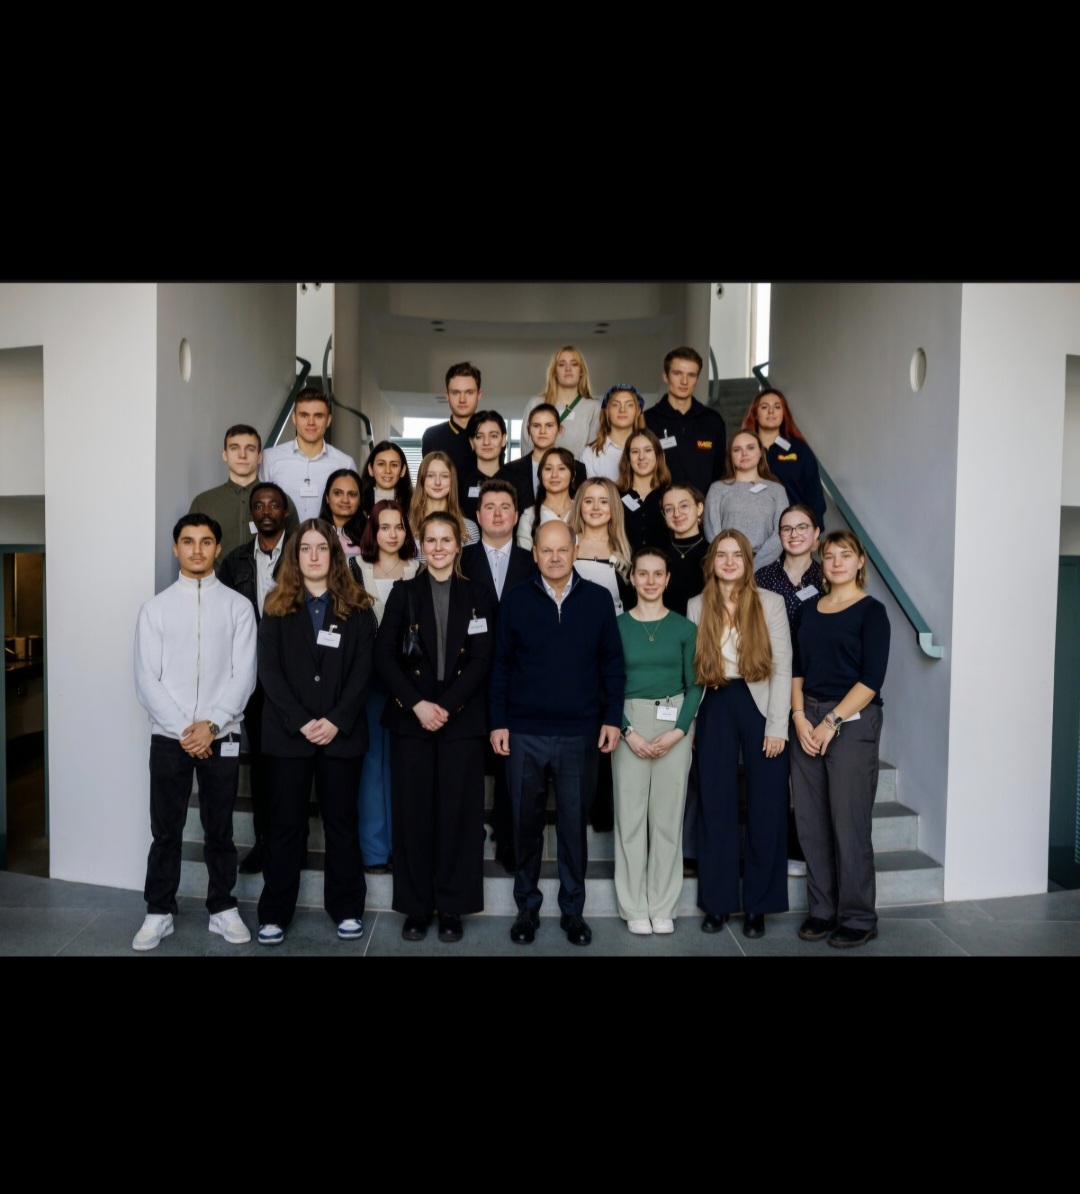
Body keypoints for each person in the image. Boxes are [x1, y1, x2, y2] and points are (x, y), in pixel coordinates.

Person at [490, 519, 625, 948]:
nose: (554, 557)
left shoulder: (598, 600)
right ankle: (526, 909)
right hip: (524, 732)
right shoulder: (515, 599)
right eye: (545, 550)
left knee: (572, 828)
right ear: (534, 554)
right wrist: (498, 722)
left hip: (579, 734)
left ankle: (573, 912)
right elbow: (500, 666)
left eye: (561, 549)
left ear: (575, 550)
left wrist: (612, 717)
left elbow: (612, 665)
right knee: (524, 826)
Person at [132, 514, 257, 951]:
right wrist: (188, 730)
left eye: (206, 542)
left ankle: (222, 908)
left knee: (219, 830)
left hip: (223, 735)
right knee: (166, 830)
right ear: (176, 549)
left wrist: (213, 725)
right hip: (170, 738)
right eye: (188, 541)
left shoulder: (238, 608)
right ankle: (158, 912)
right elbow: (146, 679)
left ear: (218, 548)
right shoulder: (155, 609)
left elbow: (245, 675)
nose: (197, 549)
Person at [255, 519, 375, 946]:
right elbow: (269, 672)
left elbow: (363, 672)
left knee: (342, 823)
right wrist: (302, 721)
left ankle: (347, 908)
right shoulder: (275, 605)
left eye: (321, 548)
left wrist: (336, 720)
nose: (313, 556)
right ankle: (274, 913)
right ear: (295, 556)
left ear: (334, 555)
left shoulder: (358, 607)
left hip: (341, 735)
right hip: (289, 735)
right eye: (305, 548)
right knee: (284, 825)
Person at [375, 513, 491, 943]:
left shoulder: (478, 593)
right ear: (421, 546)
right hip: (413, 718)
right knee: (413, 815)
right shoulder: (403, 593)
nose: (439, 547)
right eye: (432, 540)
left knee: (459, 816)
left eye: (446, 540)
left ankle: (452, 908)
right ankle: (416, 907)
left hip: (461, 718)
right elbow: (384, 656)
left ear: (458, 545)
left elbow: (482, 658)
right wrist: (418, 704)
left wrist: (447, 705)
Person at [790, 529, 890, 949]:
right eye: (829, 556)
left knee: (849, 822)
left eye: (845, 555)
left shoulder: (872, 612)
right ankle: (822, 910)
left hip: (850, 718)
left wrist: (831, 720)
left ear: (860, 561)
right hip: (807, 716)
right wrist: (798, 716)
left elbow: (872, 679)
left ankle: (858, 916)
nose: (836, 562)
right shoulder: (807, 610)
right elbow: (796, 669)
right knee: (811, 822)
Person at [691, 529, 792, 939]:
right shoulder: (696, 604)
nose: (729, 561)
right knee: (715, 802)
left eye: (737, 555)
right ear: (712, 561)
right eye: (722, 555)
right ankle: (717, 903)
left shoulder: (770, 602)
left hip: (760, 703)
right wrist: (691, 724)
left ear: (748, 562)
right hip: (715, 701)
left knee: (767, 804)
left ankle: (758, 906)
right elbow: (691, 672)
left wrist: (778, 725)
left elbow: (783, 665)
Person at [613, 548, 702, 934]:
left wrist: (679, 731)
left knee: (667, 819)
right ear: (632, 579)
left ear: (667, 580)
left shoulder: (684, 628)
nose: (650, 581)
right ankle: (634, 907)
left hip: (674, 721)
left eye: (657, 574)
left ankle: (663, 906)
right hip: (628, 722)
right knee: (630, 819)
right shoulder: (616, 627)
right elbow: (606, 683)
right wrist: (627, 731)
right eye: (643, 573)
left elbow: (695, 684)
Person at [461, 479, 534, 872]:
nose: (498, 514)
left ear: (516, 515)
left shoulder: (532, 561)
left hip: (519, 681)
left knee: (512, 766)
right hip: (467, 679)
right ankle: (468, 840)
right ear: (478, 515)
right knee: (469, 765)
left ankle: (508, 842)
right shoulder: (460, 559)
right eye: (489, 507)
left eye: (505, 507)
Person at [218, 482, 290, 875]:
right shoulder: (235, 561)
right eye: (259, 505)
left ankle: (291, 843)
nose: (266, 511)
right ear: (251, 514)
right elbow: (225, 620)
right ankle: (264, 842)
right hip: (252, 679)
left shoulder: (302, 553)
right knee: (261, 764)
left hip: (294, 677)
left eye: (273, 505)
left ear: (285, 512)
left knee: (291, 765)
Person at [348, 499, 423, 874]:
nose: (392, 534)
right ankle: (374, 851)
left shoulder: (418, 569)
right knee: (371, 763)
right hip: (366, 681)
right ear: (372, 531)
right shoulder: (354, 568)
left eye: (399, 527)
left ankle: (401, 847)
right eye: (384, 527)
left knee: (404, 765)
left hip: (409, 682)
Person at [754, 503, 824, 879]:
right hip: (774, 681)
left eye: (802, 527)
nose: (794, 535)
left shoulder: (827, 575)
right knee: (776, 771)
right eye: (786, 529)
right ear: (779, 536)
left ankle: (808, 847)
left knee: (809, 774)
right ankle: (781, 848)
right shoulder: (764, 576)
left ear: (816, 533)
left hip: (816, 681)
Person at [189, 423, 298, 565]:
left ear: (259, 457)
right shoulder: (203, 502)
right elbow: (190, 553)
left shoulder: (281, 501)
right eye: (234, 448)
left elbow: (296, 550)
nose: (242, 455)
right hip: (218, 579)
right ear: (224, 454)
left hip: (272, 579)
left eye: (250, 449)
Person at [260, 388, 358, 522]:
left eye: (318, 416)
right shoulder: (270, 458)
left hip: (329, 535)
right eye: (304, 415)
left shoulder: (345, 463)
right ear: (294, 418)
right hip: (284, 536)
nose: (311, 422)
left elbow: (353, 511)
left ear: (328, 420)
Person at [643, 347, 727, 494]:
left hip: (704, 505)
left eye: (691, 375)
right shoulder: (647, 420)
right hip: (660, 504)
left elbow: (720, 472)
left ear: (697, 379)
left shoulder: (713, 421)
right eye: (677, 373)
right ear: (665, 377)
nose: (684, 381)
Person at [742, 388, 826, 529]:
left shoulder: (799, 449)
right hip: (753, 527)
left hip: (794, 529)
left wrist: (816, 529)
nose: (771, 412)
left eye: (777, 407)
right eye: (764, 407)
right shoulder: (742, 449)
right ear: (755, 414)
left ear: (783, 413)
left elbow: (814, 494)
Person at [703, 429, 788, 568]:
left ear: (760, 452)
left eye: (750, 447)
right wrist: (732, 562)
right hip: (728, 565)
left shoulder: (777, 489)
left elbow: (780, 534)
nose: (744, 453)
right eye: (737, 450)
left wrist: (754, 567)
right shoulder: (717, 489)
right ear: (730, 455)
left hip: (766, 566)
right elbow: (713, 533)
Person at [501, 402, 588, 515]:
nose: (542, 431)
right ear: (528, 430)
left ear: (559, 429)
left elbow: (581, 510)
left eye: (549, 425)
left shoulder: (578, 469)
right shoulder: (510, 470)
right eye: (536, 426)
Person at [519, 345, 600, 460]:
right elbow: (526, 448)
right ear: (555, 372)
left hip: (578, 470)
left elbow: (592, 455)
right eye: (562, 364)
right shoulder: (536, 403)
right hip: (540, 470)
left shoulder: (593, 408)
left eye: (574, 364)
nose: (568, 369)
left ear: (581, 371)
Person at [567, 478, 633, 615]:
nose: (596, 507)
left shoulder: (624, 549)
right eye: (588, 501)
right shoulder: (567, 544)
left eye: (604, 501)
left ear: (614, 507)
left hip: (613, 625)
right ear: (579, 506)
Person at [409, 450, 480, 556]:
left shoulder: (468, 529)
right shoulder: (405, 528)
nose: (437, 482)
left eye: (444, 476)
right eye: (431, 475)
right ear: (422, 480)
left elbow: (472, 566)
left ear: (452, 481)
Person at [421, 362, 482, 477]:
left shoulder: (491, 436)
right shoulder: (432, 437)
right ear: (447, 395)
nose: (462, 400)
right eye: (456, 393)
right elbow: (428, 480)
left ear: (479, 394)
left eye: (469, 392)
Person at [516, 446, 579, 551]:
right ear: (540, 475)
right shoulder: (529, 517)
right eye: (548, 469)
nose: (554, 475)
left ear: (573, 475)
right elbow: (524, 558)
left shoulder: (583, 512)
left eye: (561, 469)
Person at [659, 483, 708, 617]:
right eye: (669, 509)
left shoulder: (715, 553)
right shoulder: (658, 556)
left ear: (699, 508)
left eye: (684, 506)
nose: (677, 514)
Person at [617, 429, 671, 551]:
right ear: (628, 457)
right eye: (635, 452)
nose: (641, 457)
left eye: (648, 450)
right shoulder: (615, 495)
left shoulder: (670, 495)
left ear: (658, 454)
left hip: (663, 562)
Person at [583, 384, 646, 482]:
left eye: (629, 405)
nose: (622, 410)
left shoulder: (652, 449)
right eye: (616, 405)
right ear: (607, 411)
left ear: (638, 411)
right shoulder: (590, 453)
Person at [459, 409, 510, 521]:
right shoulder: (459, 482)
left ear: (503, 440)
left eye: (493, 436)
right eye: (479, 436)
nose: (486, 442)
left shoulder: (517, 482)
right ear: (471, 442)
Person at [319, 468, 367, 556]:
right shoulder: (315, 532)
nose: (345, 500)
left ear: (360, 499)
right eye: (338, 493)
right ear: (327, 497)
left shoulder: (371, 534)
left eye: (352, 494)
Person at [361, 440, 414, 519]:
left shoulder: (414, 504)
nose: (388, 471)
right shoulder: (358, 502)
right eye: (381, 464)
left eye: (394, 465)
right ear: (370, 469)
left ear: (403, 470)